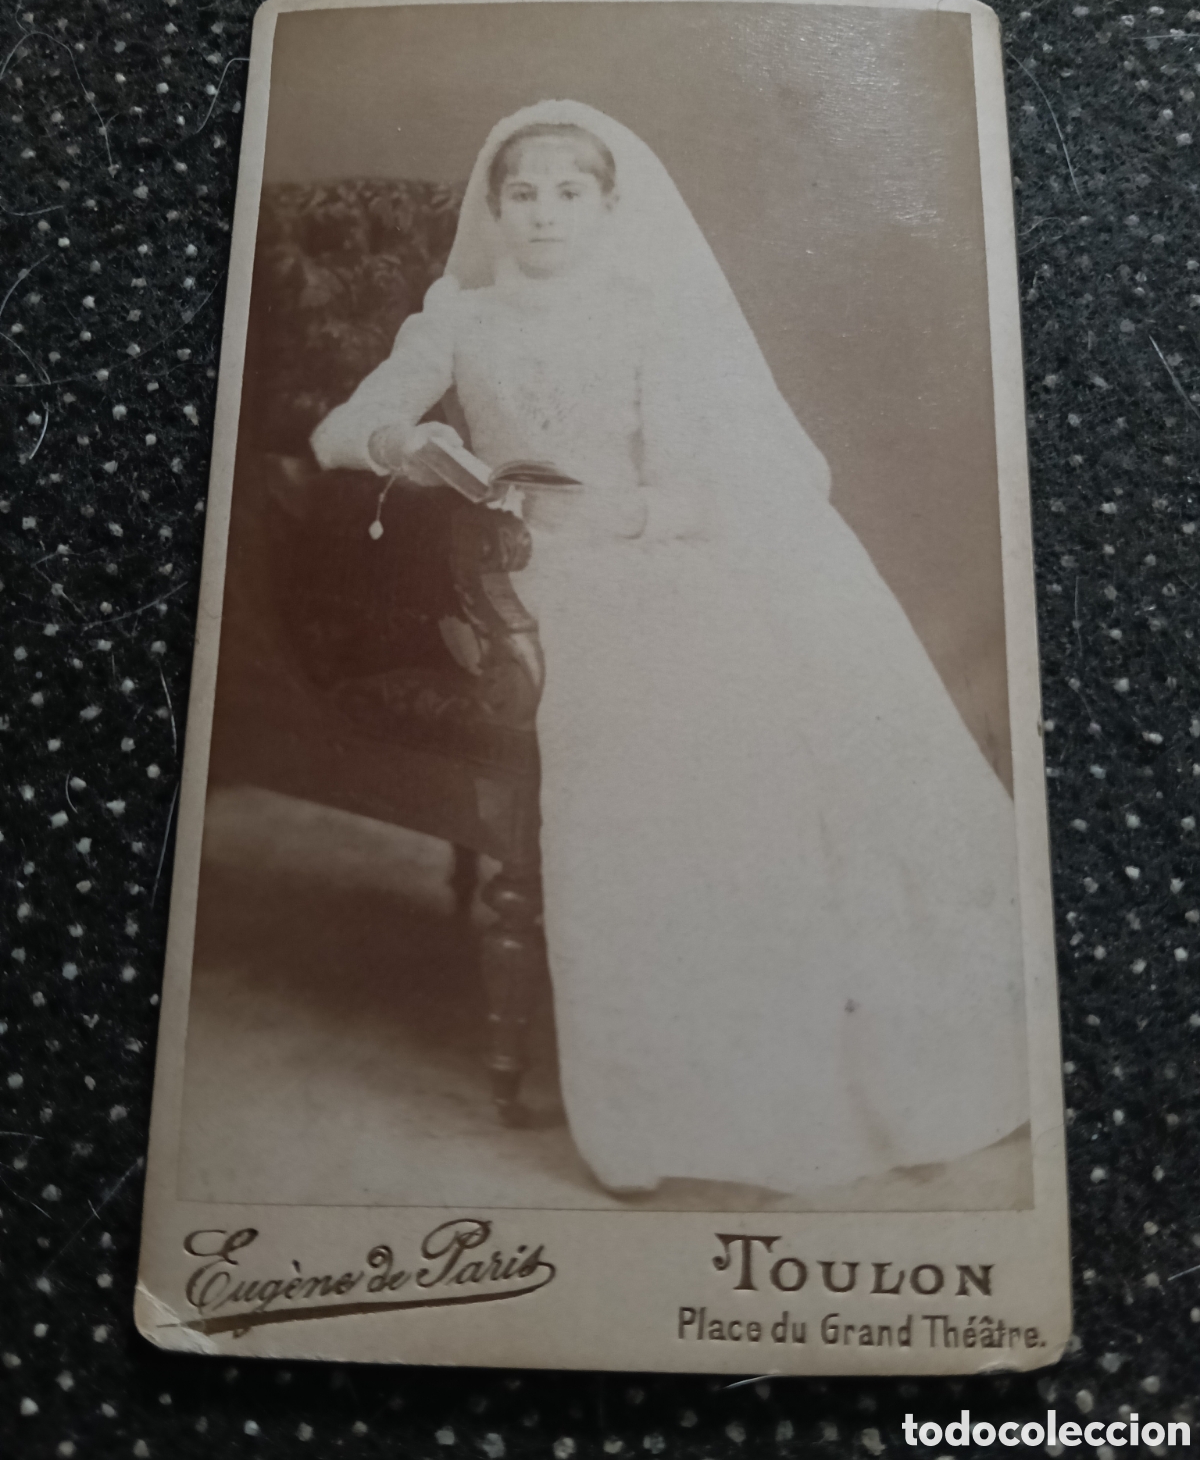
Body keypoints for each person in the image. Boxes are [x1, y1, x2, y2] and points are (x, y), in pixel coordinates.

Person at [310, 100, 1029, 1198]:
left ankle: (779, 1072)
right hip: (532, 571)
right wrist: (405, 437)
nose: (543, 214)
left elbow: (726, 486)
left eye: (568, 193)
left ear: (607, 207)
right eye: (522, 194)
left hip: (654, 554)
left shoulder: (655, 314)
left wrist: (631, 519)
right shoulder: (457, 314)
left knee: (770, 710)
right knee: (645, 720)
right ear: (494, 213)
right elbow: (333, 433)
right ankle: (663, 1105)